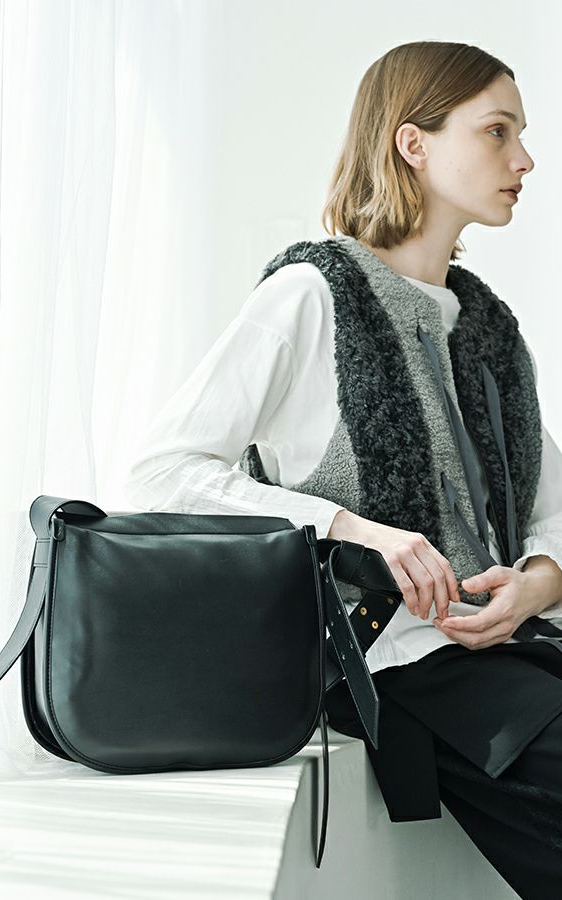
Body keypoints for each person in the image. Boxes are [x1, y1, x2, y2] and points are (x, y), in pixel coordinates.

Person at [123, 41, 562, 899]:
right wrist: (354, 529)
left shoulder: (487, 327)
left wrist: (540, 581)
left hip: (509, 656)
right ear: (413, 144)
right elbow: (161, 472)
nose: (524, 160)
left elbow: (550, 503)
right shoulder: (312, 294)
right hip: (390, 663)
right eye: (497, 131)